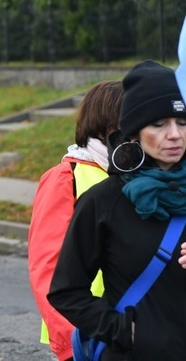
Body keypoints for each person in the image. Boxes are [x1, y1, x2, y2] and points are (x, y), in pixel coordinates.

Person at [48, 60, 186, 359]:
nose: (174, 134)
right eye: (159, 124)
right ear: (135, 132)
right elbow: (66, 291)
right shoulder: (104, 201)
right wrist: (123, 331)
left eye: (183, 122)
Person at [28, 80, 124, 361]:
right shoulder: (65, 177)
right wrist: (74, 342)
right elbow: (47, 268)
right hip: (84, 335)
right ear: (105, 124)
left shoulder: (132, 172)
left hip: (127, 326)